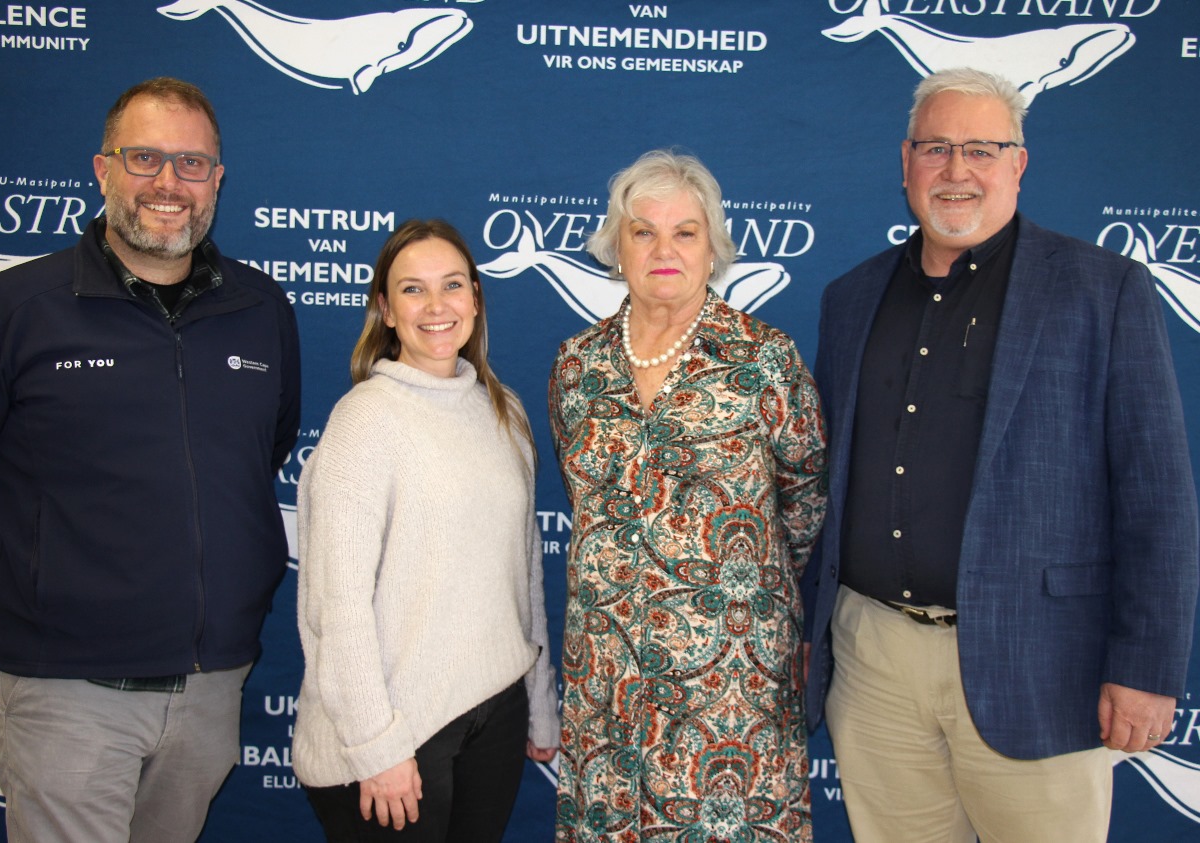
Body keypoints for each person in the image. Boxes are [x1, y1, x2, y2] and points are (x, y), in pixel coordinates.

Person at [803, 67, 1199, 842]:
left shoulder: (1103, 289)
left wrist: (1148, 668)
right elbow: (823, 484)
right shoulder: (850, 297)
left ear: (1019, 163)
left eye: (982, 150)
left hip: (1042, 663)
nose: (957, 171)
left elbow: (1157, 495)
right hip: (873, 658)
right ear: (905, 162)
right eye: (937, 149)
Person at [0, 77, 300, 842]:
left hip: (209, 685)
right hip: (68, 692)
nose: (169, 183)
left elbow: (264, 452)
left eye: (192, 164)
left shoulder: (262, 312)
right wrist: (47, 556)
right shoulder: (13, 310)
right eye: (145, 157)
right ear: (102, 170)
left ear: (218, 181)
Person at [548, 150, 828, 842]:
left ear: (714, 248)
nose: (663, 249)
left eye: (686, 232)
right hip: (607, 681)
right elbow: (586, 499)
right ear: (618, 246)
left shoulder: (764, 358)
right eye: (643, 231)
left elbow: (807, 503)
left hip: (730, 689)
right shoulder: (578, 364)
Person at [291, 218, 560, 842]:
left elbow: (523, 576)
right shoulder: (365, 422)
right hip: (394, 732)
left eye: (453, 285)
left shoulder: (503, 410)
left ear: (475, 299)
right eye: (413, 290)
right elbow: (339, 605)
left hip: (492, 710)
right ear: (384, 308)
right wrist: (374, 745)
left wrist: (539, 704)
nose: (437, 306)